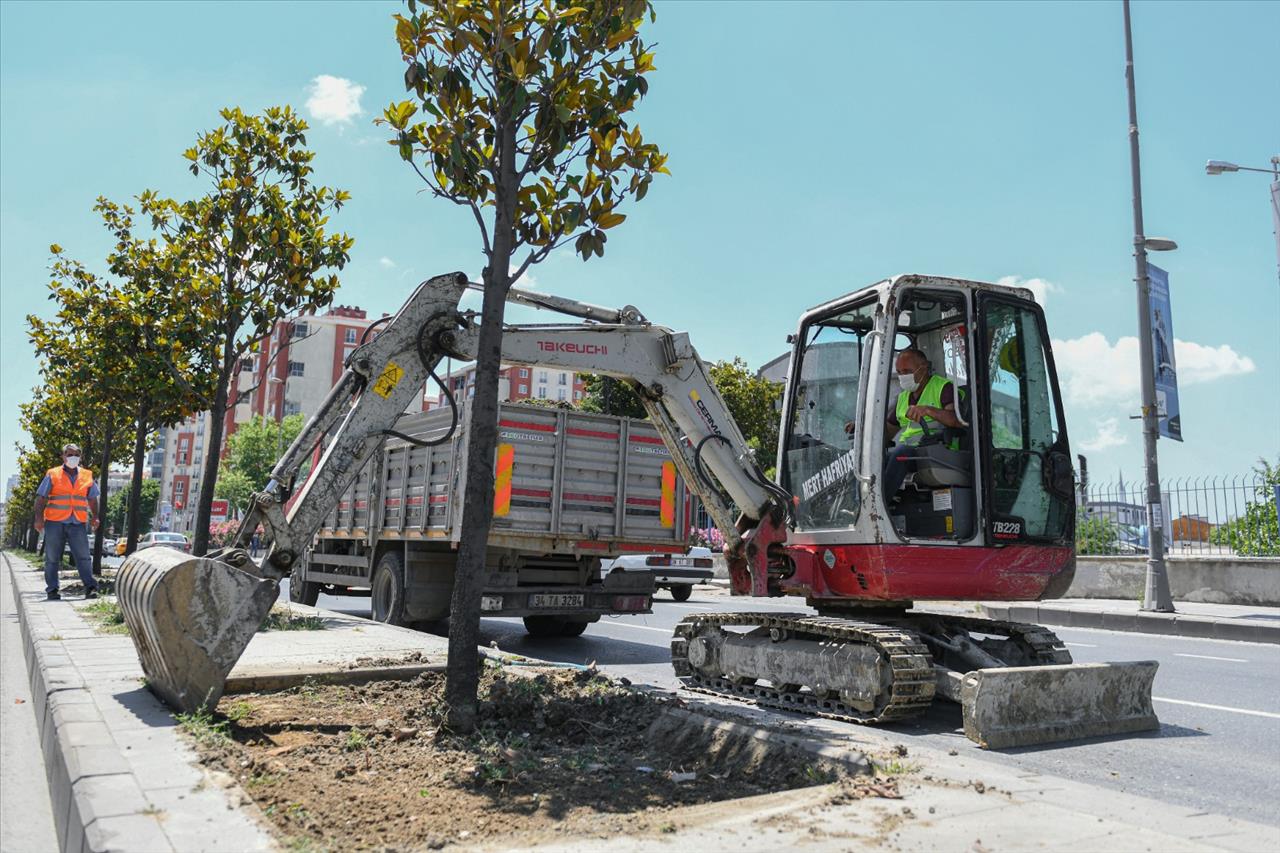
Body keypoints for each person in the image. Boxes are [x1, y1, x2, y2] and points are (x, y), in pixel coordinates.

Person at [882, 349, 963, 500]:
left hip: (938, 452)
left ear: (924, 367)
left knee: (901, 454)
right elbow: (887, 432)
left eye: (907, 371)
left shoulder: (944, 388)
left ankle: (879, 504)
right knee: (874, 461)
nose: (902, 376)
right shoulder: (902, 398)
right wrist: (863, 428)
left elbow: (956, 420)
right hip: (912, 452)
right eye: (899, 372)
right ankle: (859, 505)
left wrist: (928, 410)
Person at [33, 443, 100, 601]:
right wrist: (38, 519)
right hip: (55, 522)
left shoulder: (87, 475)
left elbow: (92, 498)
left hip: (77, 522)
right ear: (63, 456)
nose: (73, 457)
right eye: (69, 455)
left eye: (76, 454)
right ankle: (52, 590)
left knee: (83, 556)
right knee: (52, 558)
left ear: (80, 457)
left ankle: (90, 587)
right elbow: (41, 498)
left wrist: (95, 516)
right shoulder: (53, 474)